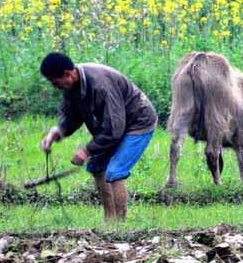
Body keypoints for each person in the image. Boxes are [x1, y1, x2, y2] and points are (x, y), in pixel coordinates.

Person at [39, 52, 158, 222]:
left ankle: (121, 225)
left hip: (138, 122)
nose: (54, 86)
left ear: (67, 74)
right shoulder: (72, 87)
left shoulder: (100, 86)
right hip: (115, 124)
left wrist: (87, 151)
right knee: (97, 166)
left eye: (55, 82)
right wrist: (57, 132)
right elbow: (72, 117)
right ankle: (110, 220)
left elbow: (114, 130)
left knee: (115, 171)